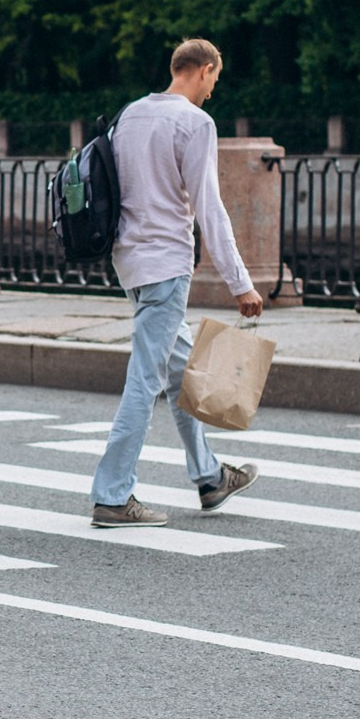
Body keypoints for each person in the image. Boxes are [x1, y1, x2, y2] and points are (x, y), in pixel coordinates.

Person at [88, 37, 263, 527]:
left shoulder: (132, 114)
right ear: (203, 70)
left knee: (178, 373)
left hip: (130, 262)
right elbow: (209, 205)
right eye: (214, 81)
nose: (212, 92)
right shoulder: (195, 122)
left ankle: (209, 477)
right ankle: (112, 495)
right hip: (166, 262)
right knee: (146, 380)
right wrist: (240, 283)